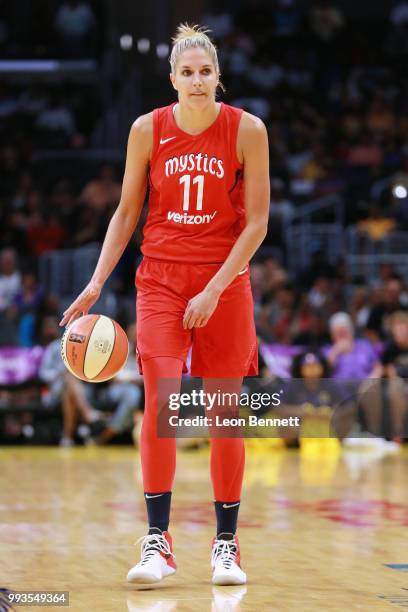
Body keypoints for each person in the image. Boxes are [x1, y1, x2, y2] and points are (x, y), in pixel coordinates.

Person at [60, 24, 270, 586]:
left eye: (206, 72)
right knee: (161, 405)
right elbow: (126, 213)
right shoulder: (146, 130)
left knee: (225, 417)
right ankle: (158, 543)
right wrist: (96, 282)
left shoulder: (247, 130)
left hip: (225, 284)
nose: (197, 81)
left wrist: (215, 288)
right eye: (187, 72)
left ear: (218, 76)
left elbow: (257, 224)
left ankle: (227, 547)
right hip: (161, 282)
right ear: (172, 77)